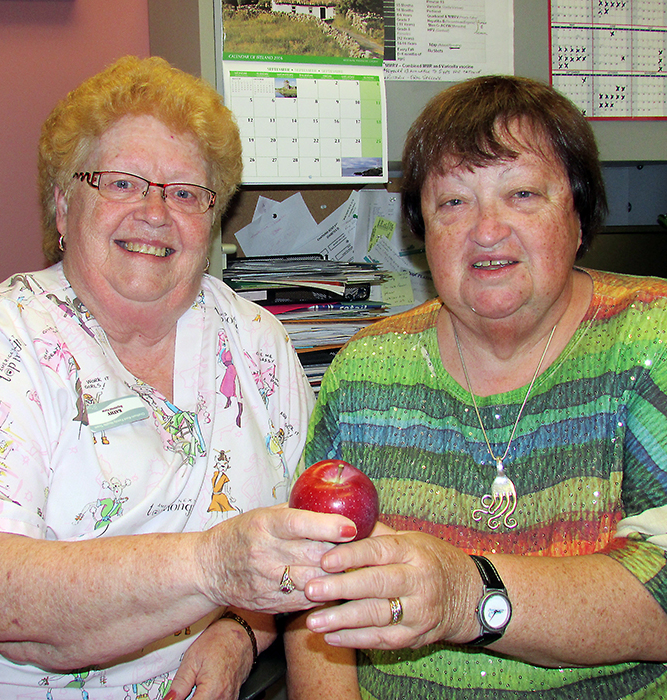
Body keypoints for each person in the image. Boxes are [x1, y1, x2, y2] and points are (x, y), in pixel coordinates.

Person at [0, 56, 357, 699]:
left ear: (213, 220)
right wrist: (209, 568)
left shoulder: (257, 342)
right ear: (64, 208)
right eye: (122, 183)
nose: (154, 213)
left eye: (184, 193)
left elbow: (288, 559)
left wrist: (238, 629)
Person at [284, 75, 667, 699]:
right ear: (422, 231)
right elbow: (315, 594)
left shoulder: (652, 342)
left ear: (578, 212)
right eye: (453, 203)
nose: (487, 230)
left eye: (521, 194)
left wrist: (468, 595)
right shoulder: (365, 373)